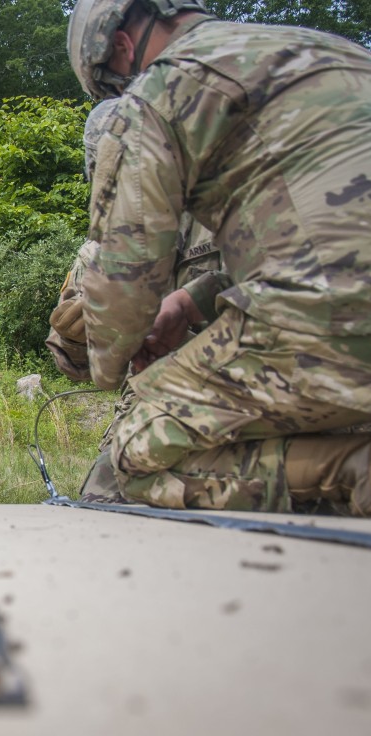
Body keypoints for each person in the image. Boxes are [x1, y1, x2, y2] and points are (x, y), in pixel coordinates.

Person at [67, 0, 371, 515]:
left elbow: (128, 272)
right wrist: (190, 303)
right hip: (336, 311)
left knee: (133, 453)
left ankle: (356, 472)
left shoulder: (158, 92)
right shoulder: (334, 52)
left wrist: (110, 362)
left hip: (328, 325)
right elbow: (325, 230)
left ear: (122, 49)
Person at [46, 97, 222, 501]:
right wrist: (75, 340)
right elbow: (76, 370)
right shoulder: (98, 253)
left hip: (243, 388)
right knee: (102, 507)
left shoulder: (226, 218)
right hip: (149, 402)